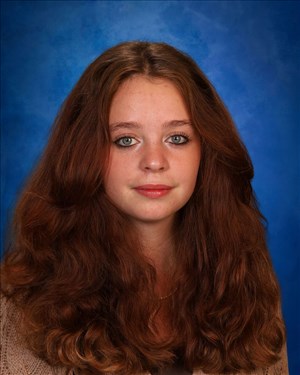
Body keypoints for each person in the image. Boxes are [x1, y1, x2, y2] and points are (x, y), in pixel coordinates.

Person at [0, 41, 288, 375]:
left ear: (205, 152)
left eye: (177, 138)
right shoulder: (16, 306)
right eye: (126, 140)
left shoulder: (246, 283)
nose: (154, 162)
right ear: (86, 153)